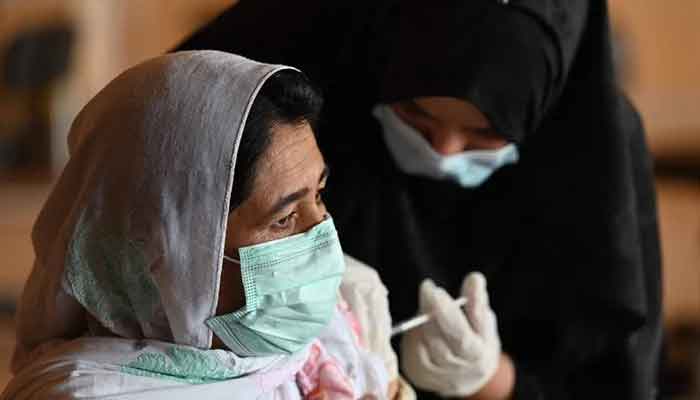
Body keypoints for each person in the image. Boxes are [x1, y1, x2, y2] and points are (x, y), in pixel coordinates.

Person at [176, 0, 664, 399]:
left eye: (485, 134)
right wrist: (277, 272)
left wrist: (491, 378)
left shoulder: (592, 151)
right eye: (415, 115)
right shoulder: (281, 60)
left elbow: (614, 379)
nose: (443, 150)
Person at [1, 51, 413, 399]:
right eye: (284, 218)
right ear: (168, 251)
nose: (321, 233)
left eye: (319, 195)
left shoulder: (326, 341)